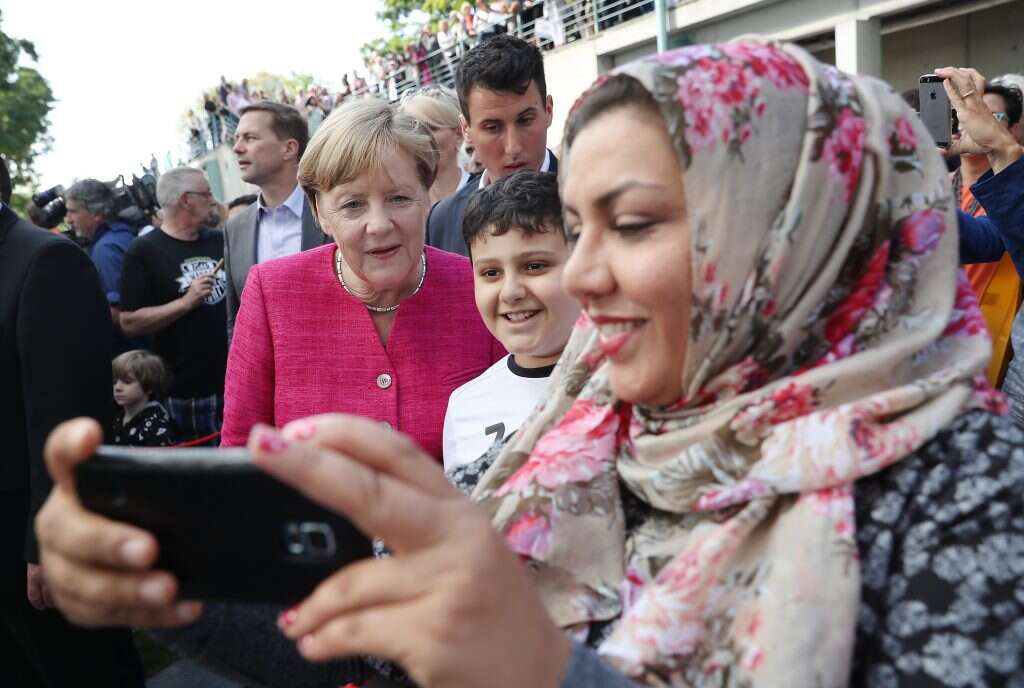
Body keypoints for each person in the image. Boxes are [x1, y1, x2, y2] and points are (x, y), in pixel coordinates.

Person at [34, 45, 1024, 688]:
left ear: (798, 230)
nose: (577, 278)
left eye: (629, 224)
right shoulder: (584, 431)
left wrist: (541, 671)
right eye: (577, 227)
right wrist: (182, 591)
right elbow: (385, 641)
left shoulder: (976, 493)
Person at [220, 97, 504, 458]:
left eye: (399, 198)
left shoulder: (478, 287)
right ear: (320, 212)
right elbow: (240, 452)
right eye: (353, 205)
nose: (380, 224)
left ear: (426, 196)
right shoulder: (271, 293)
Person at [0, 177, 145, 686]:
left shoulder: (45, 261)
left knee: (82, 670)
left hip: (33, 536)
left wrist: (50, 541)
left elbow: (70, 416)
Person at [443, 170, 578, 470]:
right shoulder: (465, 405)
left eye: (534, 266)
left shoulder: (628, 383)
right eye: (491, 273)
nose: (511, 292)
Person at [119, 167, 228, 443]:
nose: (212, 200)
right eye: (207, 194)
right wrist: (185, 302)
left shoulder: (219, 240)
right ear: (186, 200)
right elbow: (129, 322)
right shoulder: (143, 251)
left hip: (234, 381)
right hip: (186, 390)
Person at [426, 34, 557, 256]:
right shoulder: (442, 221)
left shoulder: (591, 200)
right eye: (493, 128)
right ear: (465, 129)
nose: (513, 147)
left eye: (525, 121)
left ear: (549, 110)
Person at [225, 101, 328, 341]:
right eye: (237, 138)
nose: (237, 148)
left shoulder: (333, 211)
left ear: (289, 148)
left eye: (250, 138)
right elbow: (236, 324)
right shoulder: (235, 228)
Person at [953, 83, 1023, 385]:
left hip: (989, 351)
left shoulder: (1009, 192)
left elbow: (991, 240)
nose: (971, 123)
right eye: (963, 114)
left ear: (1015, 128)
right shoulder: (934, 184)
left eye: (990, 115)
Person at [65, 178, 144, 355]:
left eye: (73, 212)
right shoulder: (127, 234)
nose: (68, 219)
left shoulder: (106, 250)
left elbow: (116, 313)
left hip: (133, 355)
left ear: (97, 214)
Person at [399, 87, 470, 204]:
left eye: (430, 128)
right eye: (412, 129)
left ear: (459, 134)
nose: (420, 137)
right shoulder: (407, 206)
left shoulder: (483, 188)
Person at [111, 350, 178, 447]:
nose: (117, 388)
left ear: (149, 386)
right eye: (114, 382)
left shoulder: (156, 426)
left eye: (127, 381)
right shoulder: (115, 417)